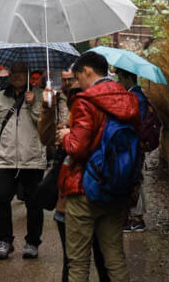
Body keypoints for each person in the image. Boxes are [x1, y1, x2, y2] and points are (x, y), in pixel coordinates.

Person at [56, 50, 141, 282]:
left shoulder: (86, 101)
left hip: (85, 187)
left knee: (78, 261)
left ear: (88, 71)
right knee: (114, 256)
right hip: (117, 186)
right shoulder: (129, 99)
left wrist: (65, 135)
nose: (78, 83)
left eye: (78, 77)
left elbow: (78, 148)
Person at [38, 79, 110, 282]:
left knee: (104, 261)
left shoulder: (104, 116)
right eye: (70, 91)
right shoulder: (66, 122)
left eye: (77, 88)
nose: (75, 95)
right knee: (72, 262)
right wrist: (47, 107)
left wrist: (73, 135)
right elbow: (45, 138)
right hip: (67, 203)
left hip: (100, 199)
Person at [0, 62, 46, 260]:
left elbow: (46, 126)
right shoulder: (0, 97)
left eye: (21, 72)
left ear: (29, 74)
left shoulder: (40, 96)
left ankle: (32, 242)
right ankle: (5, 241)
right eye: (14, 72)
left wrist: (33, 105)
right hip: (6, 157)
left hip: (32, 157)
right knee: (1, 198)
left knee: (34, 203)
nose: (17, 75)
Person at [115, 68, 161, 232]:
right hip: (135, 144)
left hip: (135, 145)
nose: (119, 82)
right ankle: (134, 216)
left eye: (120, 78)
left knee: (135, 179)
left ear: (128, 79)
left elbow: (137, 124)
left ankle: (137, 217)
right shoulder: (137, 95)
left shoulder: (135, 97)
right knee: (134, 178)